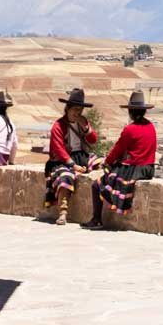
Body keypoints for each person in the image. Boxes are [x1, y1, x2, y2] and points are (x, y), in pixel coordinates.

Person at [91, 89, 157, 228]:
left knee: (97, 184)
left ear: (130, 112)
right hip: (148, 169)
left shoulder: (130, 129)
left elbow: (117, 150)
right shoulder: (151, 126)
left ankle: (97, 219)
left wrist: (107, 162)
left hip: (133, 169)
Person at [42, 88, 101, 225]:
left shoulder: (83, 122)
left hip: (81, 156)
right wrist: (73, 166)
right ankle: (63, 212)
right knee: (65, 177)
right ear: (67, 108)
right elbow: (59, 149)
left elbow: (93, 140)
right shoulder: (58, 126)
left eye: (80, 110)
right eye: (74, 109)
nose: (77, 113)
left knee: (100, 162)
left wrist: (86, 128)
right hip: (62, 160)